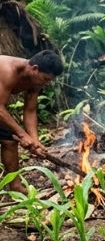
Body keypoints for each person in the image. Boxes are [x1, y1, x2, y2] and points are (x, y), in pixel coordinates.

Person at [0, 50, 64, 194]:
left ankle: (14, 185)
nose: (47, 83)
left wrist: (35, 141)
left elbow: (30, 110)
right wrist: (23, 135)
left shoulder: (35, 80)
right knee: (14, 136)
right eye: (46, 79)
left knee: (9, 141)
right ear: (35, 69)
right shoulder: (7, 70)